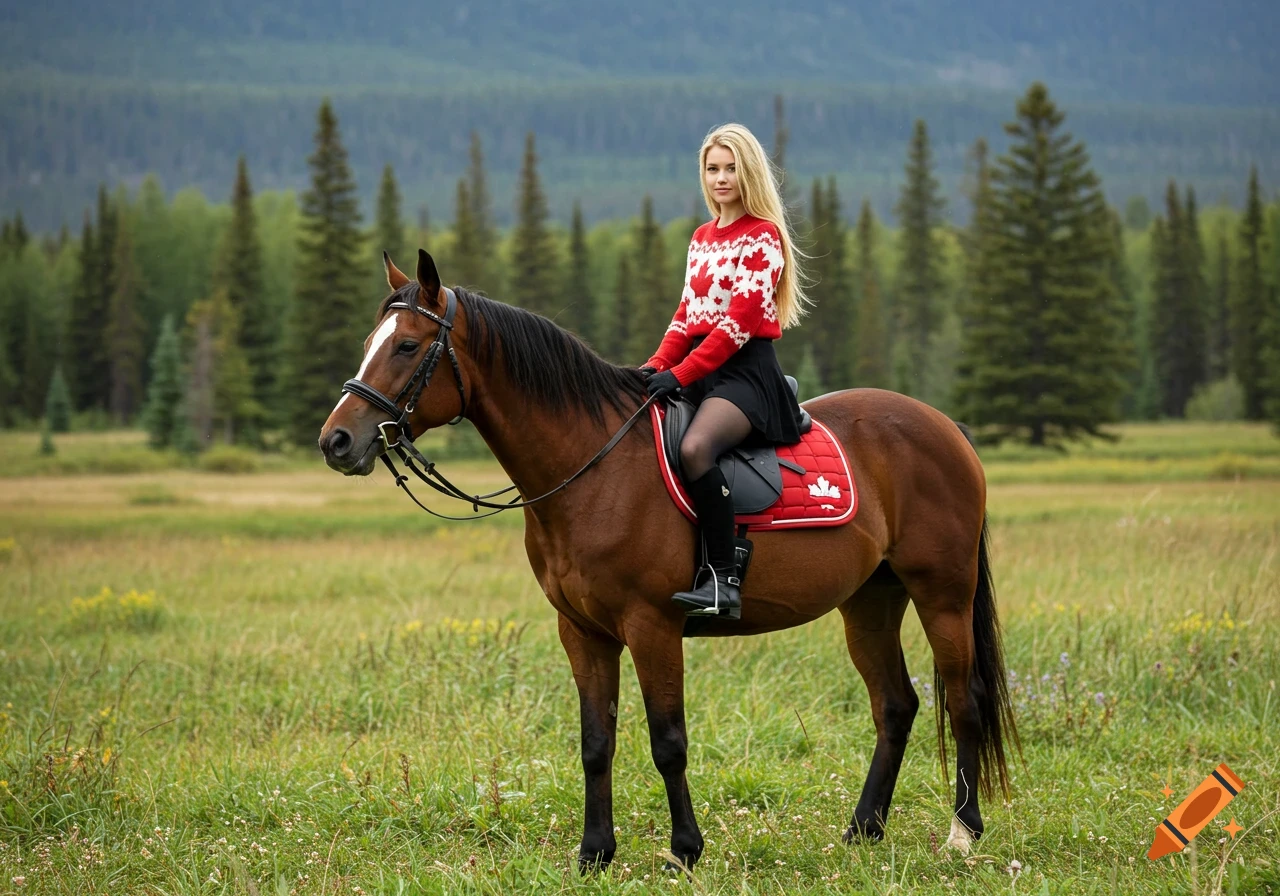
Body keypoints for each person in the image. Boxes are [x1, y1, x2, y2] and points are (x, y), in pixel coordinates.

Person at [639, 123, 809, 618]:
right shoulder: (701, 238)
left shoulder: (764, 237)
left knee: (695, 448)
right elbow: (685, 314)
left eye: (731, 168)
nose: (720, 178)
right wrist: (653, 368)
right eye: (712, 169)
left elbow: (739, 323)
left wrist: (682, 375)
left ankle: (723, 580)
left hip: (747, 377)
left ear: (748, 172)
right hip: (703, 369)